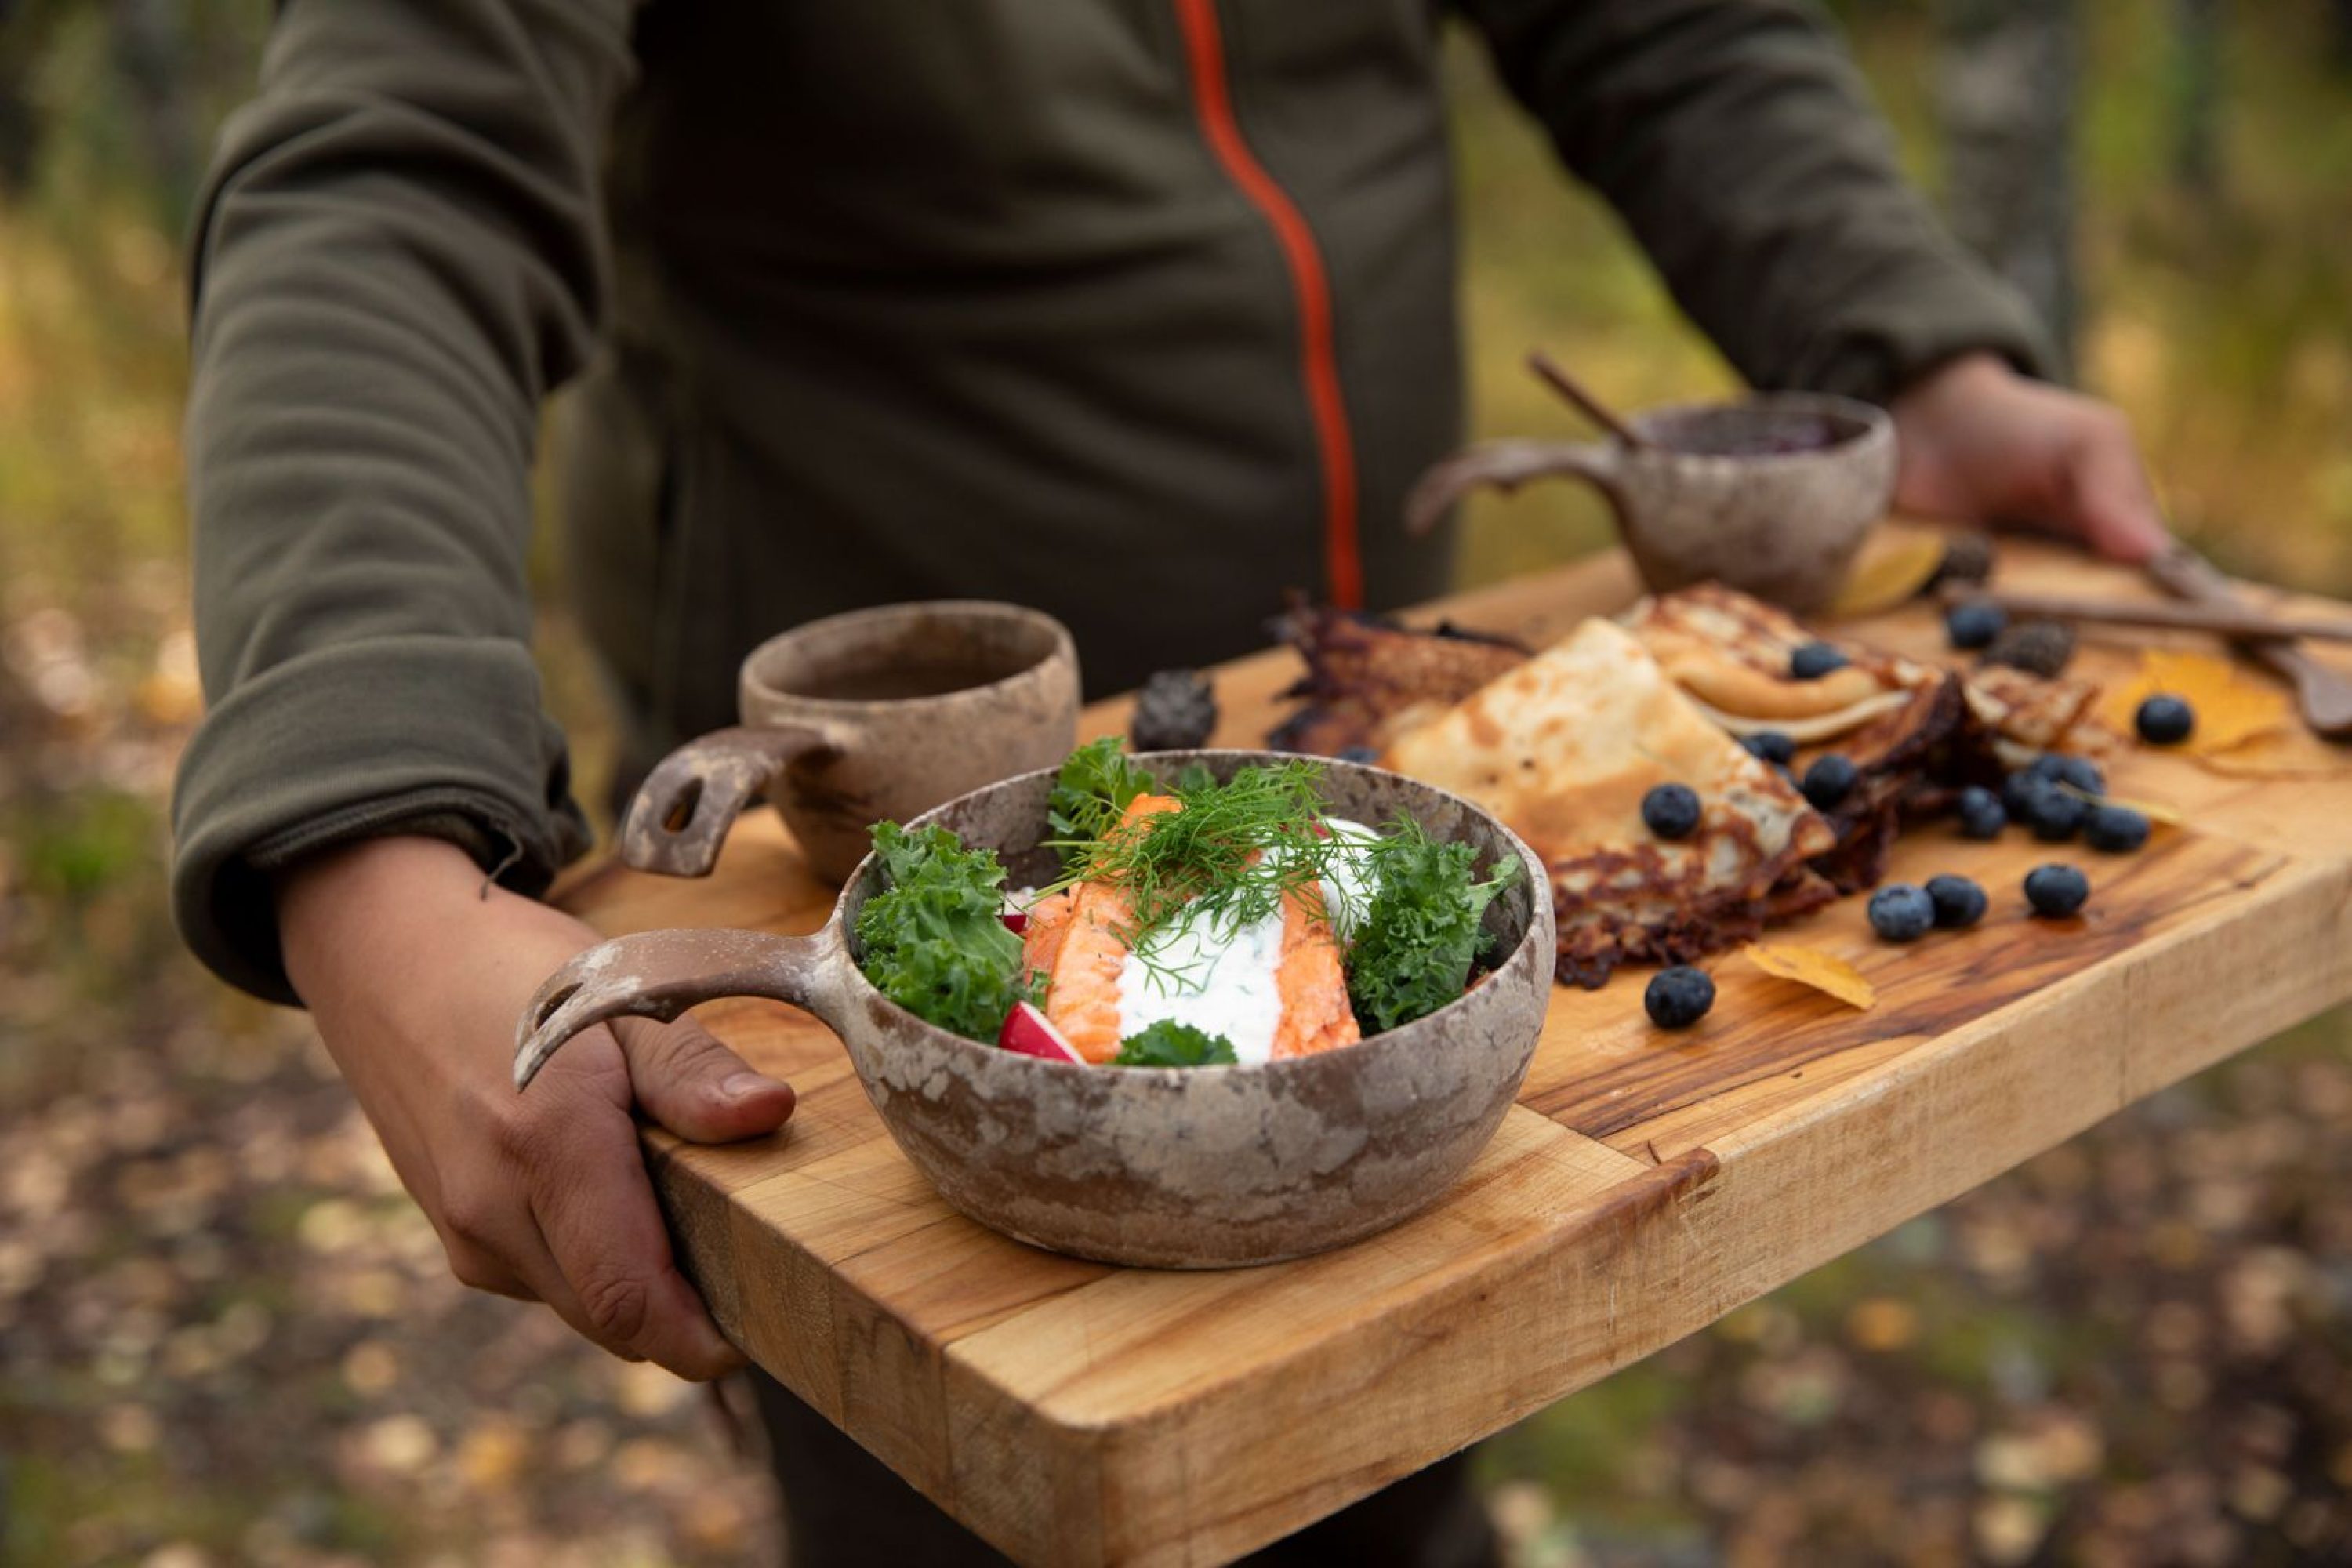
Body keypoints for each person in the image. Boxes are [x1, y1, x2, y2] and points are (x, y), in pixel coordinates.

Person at [170, 2, 2171, 1561]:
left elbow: (1667, 31)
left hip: (1358, 814)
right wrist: (365, 831)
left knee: (1384, 1471)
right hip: (872, 878)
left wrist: (1906, 352)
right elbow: (389, 178)